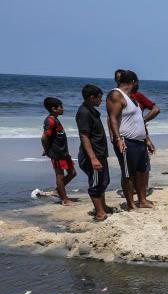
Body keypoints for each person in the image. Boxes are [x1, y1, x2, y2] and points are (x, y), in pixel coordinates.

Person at [106, 70, 152, 209]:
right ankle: (131, 204)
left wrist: (147, 139)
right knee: (128, 174)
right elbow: (112, 118)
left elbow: (137, 120)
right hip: (127, 141)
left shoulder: (132, 97)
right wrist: (118, 138)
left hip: (140, 141)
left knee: (142, 172)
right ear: (133, 82)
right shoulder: (116, 94)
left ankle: (142, 200)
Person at [75, 84, 110, 220]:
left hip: (100, 154)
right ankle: (99, 212)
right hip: (92, 156)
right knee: (96, 184)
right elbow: (84, 136)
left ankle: (103, 206)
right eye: (99, 98)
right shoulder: (83, 112)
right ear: (91, 97)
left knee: (104, 181)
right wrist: (93, 158)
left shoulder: (92, 111)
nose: (101, 101)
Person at [40, 97, 75, 206]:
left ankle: (57, 191)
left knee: (72, 173)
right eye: (61, 107)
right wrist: (46, 150)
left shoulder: (55, 119)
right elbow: (44, 137)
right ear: (54, 108)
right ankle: (65, 199)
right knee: (59, 175)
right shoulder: (50, 120)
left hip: (63, 152)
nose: (63, 109)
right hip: (57, 153)